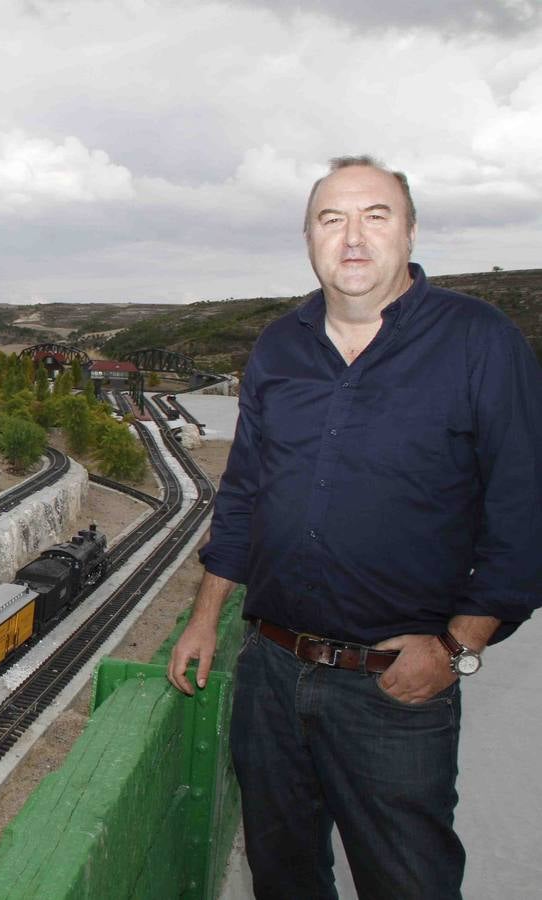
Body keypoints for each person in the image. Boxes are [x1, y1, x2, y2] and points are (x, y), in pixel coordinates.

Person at [166, 155, 541, 899]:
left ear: (409, 231)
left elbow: (523, 510)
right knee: (284, 877)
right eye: (333, 219)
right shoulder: (279, 346)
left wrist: (457, 648)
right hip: (270, 672)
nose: (354, 238)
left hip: (395, 689)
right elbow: (243, 495)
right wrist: (207, 618)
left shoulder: (479, 341)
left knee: (408, 883)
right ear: (309, 237)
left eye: (376, 216)